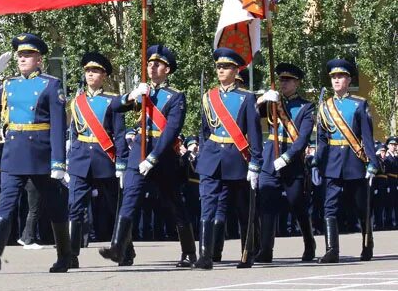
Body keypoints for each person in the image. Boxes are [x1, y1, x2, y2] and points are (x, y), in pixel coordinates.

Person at [0, 33, 70, 273]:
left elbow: (58, 126)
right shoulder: (10, 85)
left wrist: (58, 162)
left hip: (40, 153)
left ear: (39, 59)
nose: (22, 59)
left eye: (28, 55)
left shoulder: (50, 84)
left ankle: (65, 256)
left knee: (54, 204)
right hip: (14, 152)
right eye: (20, 55)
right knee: (6, 203)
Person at [101, 44, 194, 268]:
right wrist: (131, 95)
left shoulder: (175, 97)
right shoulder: (143, 92)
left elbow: (171, 131)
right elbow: (114, 107)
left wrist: (153, 158)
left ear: (167, 70)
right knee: (129, 200)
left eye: (158, 64)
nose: (152, 67)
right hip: (139, 151)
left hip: (162, 157)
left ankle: (189, 252)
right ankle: (118, 247)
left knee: (174, 204)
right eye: (150, 63)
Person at [196, 48, 263, 270]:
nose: (221, 71)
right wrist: (204, 153)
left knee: (243, 208)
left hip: (236, 157)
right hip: (212, 157)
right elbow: (204, 131)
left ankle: (248, 252)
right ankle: (205, 255)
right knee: (207, 206)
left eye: (226, 67)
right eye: (219, 67)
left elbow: (254, 133)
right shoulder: (208, 97)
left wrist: (255, 163)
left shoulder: (246, 97)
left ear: (236, 70)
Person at [314, 58, 379, 262]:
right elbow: (322, 140)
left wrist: (372, 162)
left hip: (354, 161)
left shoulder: (359, 104)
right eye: (333, 77)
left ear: (349, 80)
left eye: (340, 76)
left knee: (361, 206)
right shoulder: (325, 107)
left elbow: (367, 137)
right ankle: (332, 250)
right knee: (329, 205)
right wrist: (317, 161)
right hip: (333, 163)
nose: (336, 80)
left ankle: (367, 244)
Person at [67, 52, 126, 268]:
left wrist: (121, 162)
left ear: (104, 76)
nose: (91, 75)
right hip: (81, 156)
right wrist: (68, 159)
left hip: (104, 157)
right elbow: (73, 131)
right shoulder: (76, 102)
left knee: (115, 206)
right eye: (89, 71)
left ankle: (124, 250)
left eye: (96, 71)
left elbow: (119, 133)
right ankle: (71, 254)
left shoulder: (112, 101)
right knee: (75, 205)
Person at [254, 63, 316, 262]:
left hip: (291, 157)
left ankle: (309, 241)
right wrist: (263, 98)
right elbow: (250, 112)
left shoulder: (307, 107)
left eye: (287, 80)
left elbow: (303, 138)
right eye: (281, 79)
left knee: (296, 202)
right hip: (270, 156)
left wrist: (287, 158)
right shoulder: (274, 102)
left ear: (297, 83)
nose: (283, 83)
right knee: (266, 201)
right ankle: (266, 249)